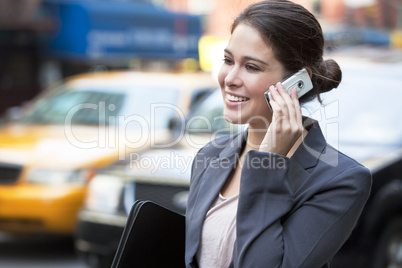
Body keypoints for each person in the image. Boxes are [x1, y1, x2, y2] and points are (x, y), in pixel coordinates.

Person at [185, 1, 372, 267]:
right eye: (228, 61)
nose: (230, 78)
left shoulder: (341, 181)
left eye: (251, 67)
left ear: (296, 82)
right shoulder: (210, 156)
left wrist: (269, 162)